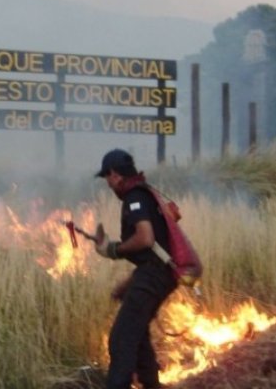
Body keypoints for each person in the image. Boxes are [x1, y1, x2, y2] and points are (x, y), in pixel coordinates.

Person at [93, 148, 177, 389]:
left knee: (121, 340)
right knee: (138, 338)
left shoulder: (135, 198)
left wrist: (114, 250)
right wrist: (128, 285)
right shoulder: (143, 193)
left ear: (115, 175)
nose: (108, 184)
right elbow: (150, 255)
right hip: (155, 274)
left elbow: (146, 238)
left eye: (107, 178)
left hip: (154, 275)